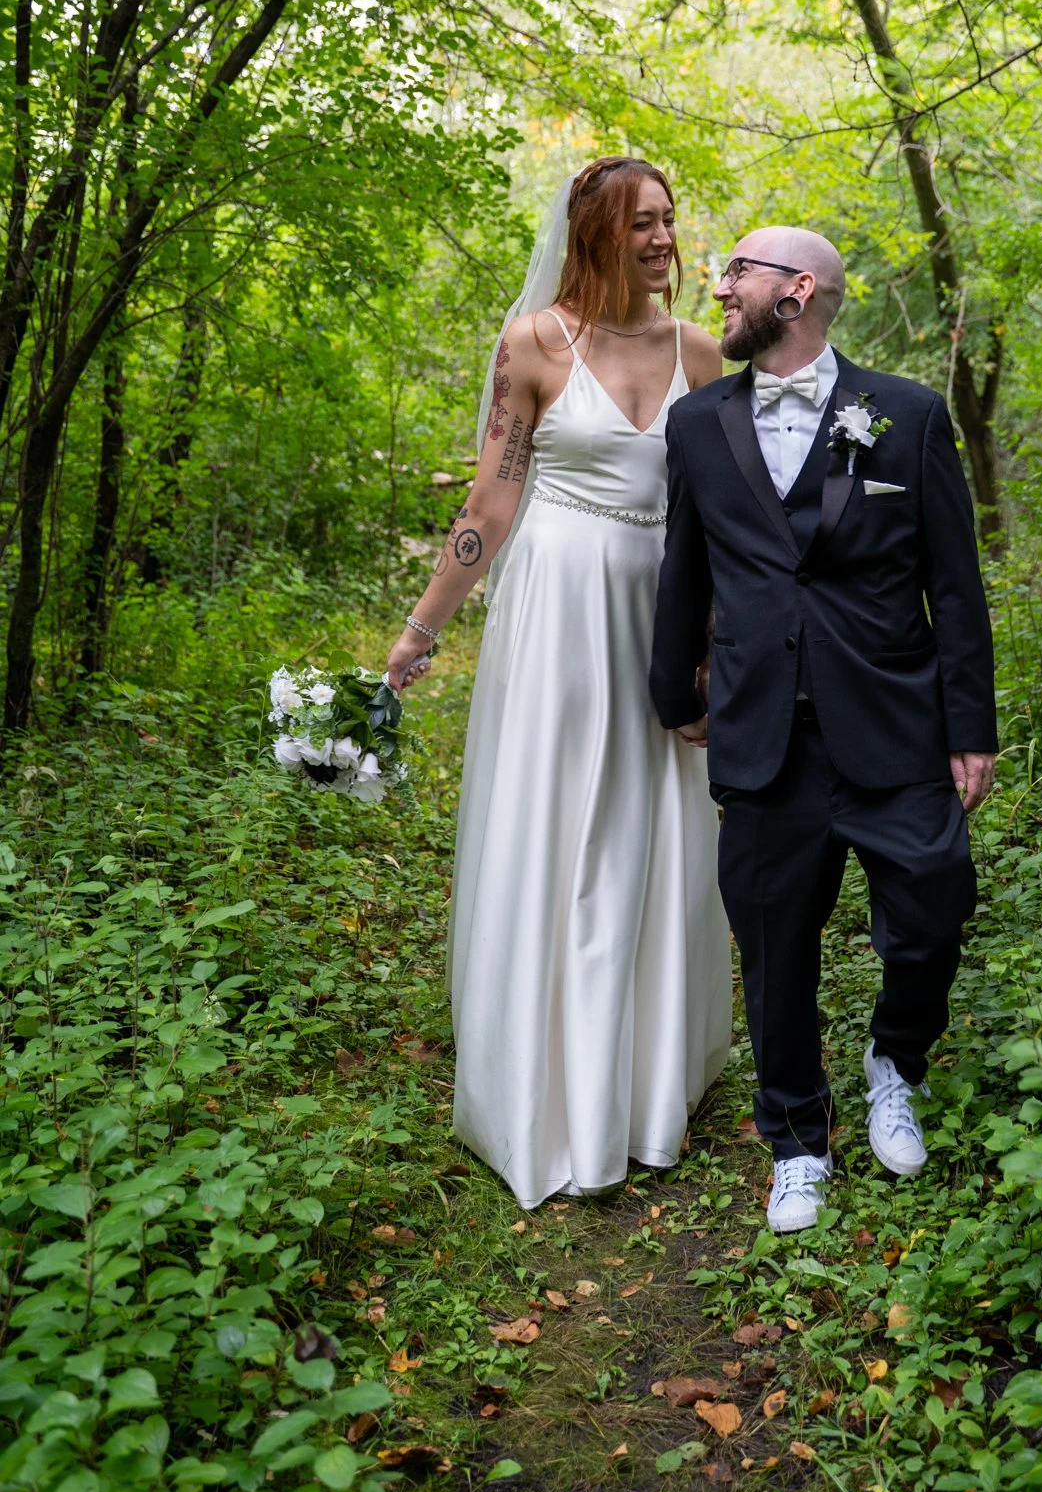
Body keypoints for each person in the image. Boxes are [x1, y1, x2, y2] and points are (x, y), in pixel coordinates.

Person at [387, 159, 732, 1209]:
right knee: (557, 819)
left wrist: (724, 644)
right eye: (644, 222)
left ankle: (643, 1080)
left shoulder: (703, 355)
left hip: (663, 607)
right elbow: (494, 496)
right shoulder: (534, 343)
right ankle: (540, 1079)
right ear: (594, 232)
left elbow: (725, 515)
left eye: (670, 219)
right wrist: (419, 629)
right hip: (555, 608)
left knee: (657, 825)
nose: (665, 237)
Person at [649, 226, 997, 1234]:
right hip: (761, 729)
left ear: (797, 292)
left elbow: (955, 586)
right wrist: (676, 691)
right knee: (774, 947)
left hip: (894, 717)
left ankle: (896, 1058)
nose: (718, 287)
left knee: (934, 909)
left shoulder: (910, 414)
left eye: (738, 274)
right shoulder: (697, 424)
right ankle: (798, 1137)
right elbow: (688, 568)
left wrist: (968, 726)